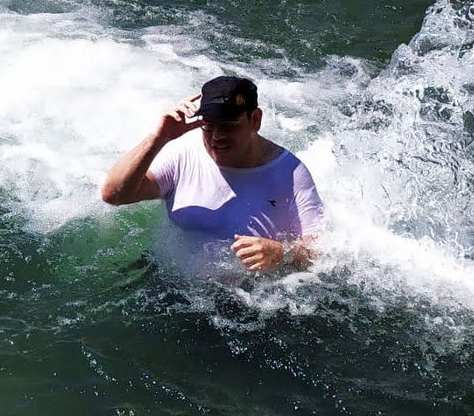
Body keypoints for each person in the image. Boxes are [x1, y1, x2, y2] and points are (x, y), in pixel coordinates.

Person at [101, 75, 324, 273]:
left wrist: (282, 253)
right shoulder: (183, 154)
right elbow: (114, 195)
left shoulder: (290, 173)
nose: (216, 137)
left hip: (247, 297)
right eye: (208, 125)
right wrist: (158, 138)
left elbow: (321, 253)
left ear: (255, 120)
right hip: (169, 283)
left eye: (229, 125)